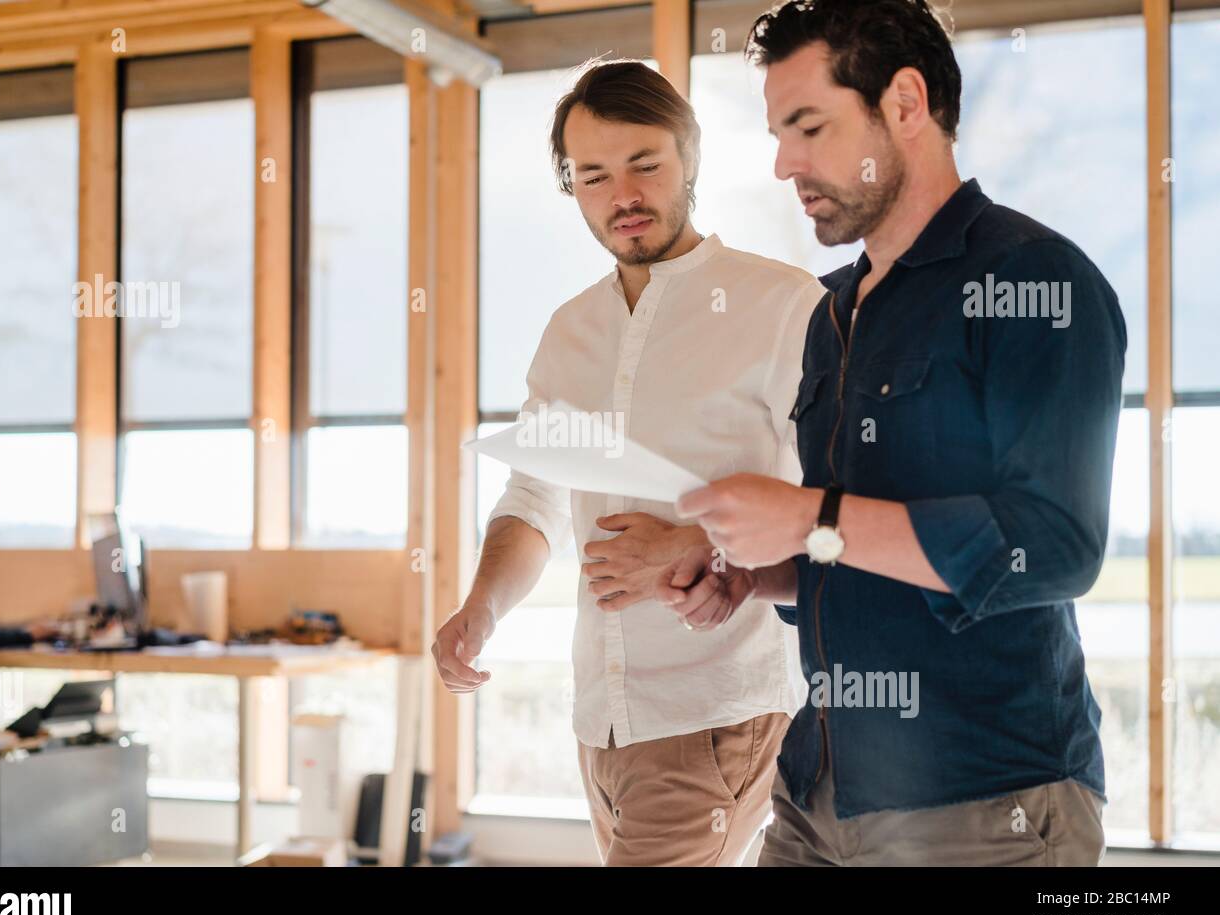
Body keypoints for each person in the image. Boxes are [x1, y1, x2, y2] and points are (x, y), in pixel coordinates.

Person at [659, 0, 1124, 866]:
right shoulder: (831, 311)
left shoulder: (1036, 280)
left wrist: (804, 515)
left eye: (808, 127)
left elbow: (1056, 550)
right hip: (816, 791)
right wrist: (757, 574)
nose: (782, 164)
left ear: (905, 104)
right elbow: (852, 544)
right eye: (776, 133)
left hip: (982, 807)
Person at [430, 59, 823, 865]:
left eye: (645, 163)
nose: (624, 195)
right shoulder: (569, 332)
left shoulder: (782, 307)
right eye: (594, 175)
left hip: (717, 708)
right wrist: (482, 607)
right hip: (603, 720)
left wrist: (705, 547)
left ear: (691, 157)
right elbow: (534, 494)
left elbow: (833, 504)